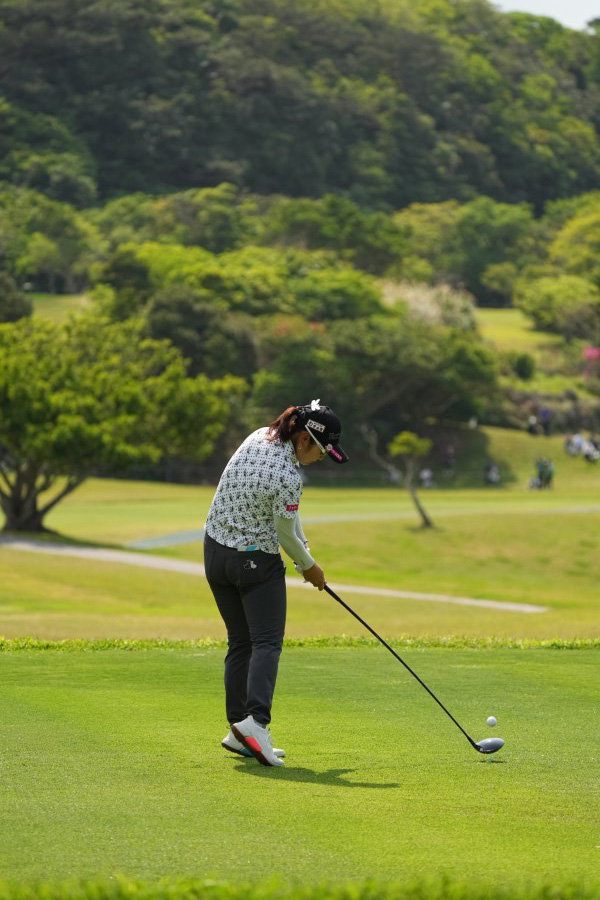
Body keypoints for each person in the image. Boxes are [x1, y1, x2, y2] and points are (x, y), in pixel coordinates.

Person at [203, 400, 348, 767]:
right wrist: (309, 566)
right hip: (253, 563)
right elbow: (284, 536)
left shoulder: (258, 437)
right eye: (320, 451)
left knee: (241, 642)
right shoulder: (287, 478)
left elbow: (288, 521)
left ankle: (239, 730)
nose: (320, 458)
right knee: (267, 642)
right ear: (303, 439)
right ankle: (256, 723)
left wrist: (306, 553)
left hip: (215, 554)